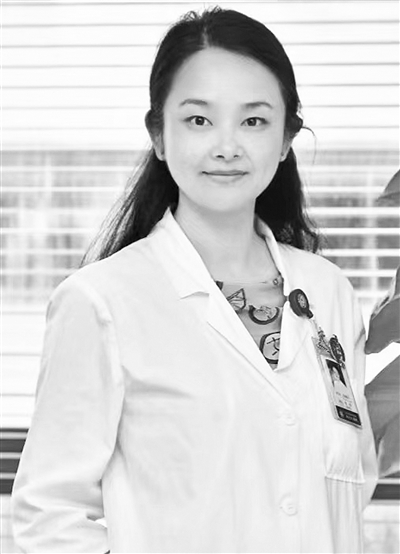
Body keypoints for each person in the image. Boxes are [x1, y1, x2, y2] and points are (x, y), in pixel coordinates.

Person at [12, 7, 377, 553]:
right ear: (159, 136)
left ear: (285, 139)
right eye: (198, 120)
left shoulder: (329, 293)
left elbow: (348, 493)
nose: (226, 147)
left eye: (253, 121)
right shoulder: (101, 301)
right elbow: (49, 518)